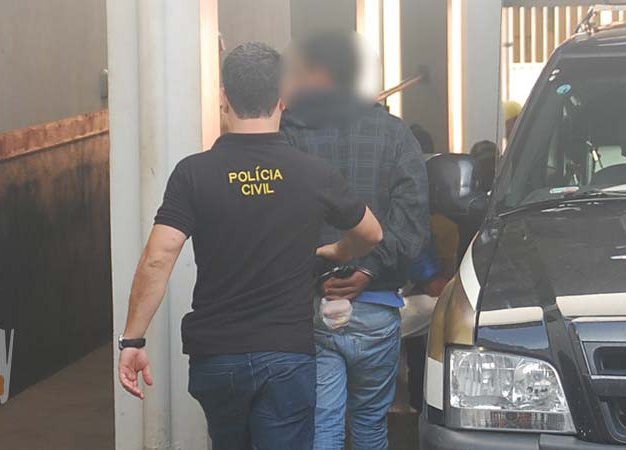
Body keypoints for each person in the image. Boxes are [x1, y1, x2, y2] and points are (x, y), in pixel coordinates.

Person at [117, 42, 383, 450]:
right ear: (283, 99)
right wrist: (337, 253)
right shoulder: (313, 173)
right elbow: (372, 233)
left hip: (217, 358)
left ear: (223, 98)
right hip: (286, 355)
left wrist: (133, 340)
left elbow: (158, 258)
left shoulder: (193, 174)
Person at [282, 32, 430, 450]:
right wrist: (368, 269)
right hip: (377, 308)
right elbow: (413, 223)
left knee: (323, 423)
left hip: (311, 307)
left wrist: (321, 272)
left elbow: (280, 218)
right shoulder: (396, 135)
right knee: (369, 424)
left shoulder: (289, 134)